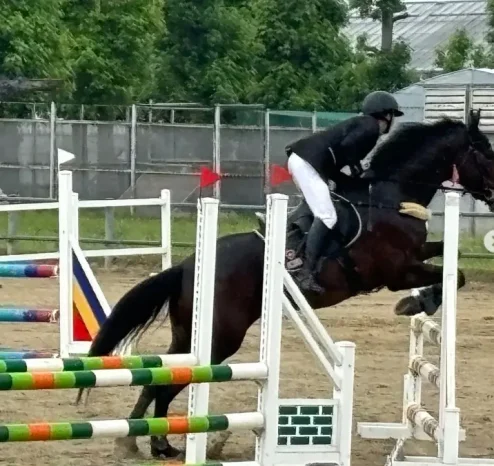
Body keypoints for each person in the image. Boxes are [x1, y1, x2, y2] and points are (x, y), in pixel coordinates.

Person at [285, 90, 404, 294]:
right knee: (327, 216)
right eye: (392, 115)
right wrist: (357, 168)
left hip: (307, 162)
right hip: (308, 162)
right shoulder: (370, 126)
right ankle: (306, 271)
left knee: (323, 208)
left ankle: (295, 245)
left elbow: (340, 159)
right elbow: (347, 148)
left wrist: (353, 175)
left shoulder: (363, 125)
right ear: (387, 114)